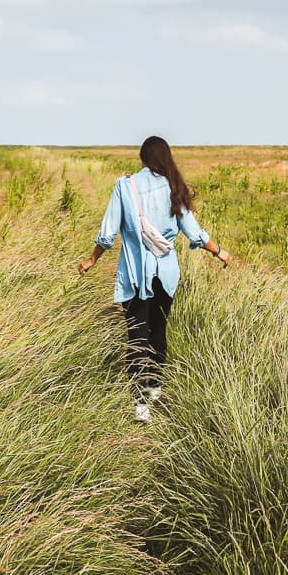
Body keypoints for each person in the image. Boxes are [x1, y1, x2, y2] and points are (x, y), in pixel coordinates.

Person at [78, 135, 231, 423]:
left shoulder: (125, 186)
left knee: (137, 336)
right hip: (166, 274)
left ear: (143, 158)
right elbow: (193, 231)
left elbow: (108, 233)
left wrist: (92, 259)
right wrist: (219, 251)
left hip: (135, 275)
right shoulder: (173, 186)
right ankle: (155, 386)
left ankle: (140, 405)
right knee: (158, 330)